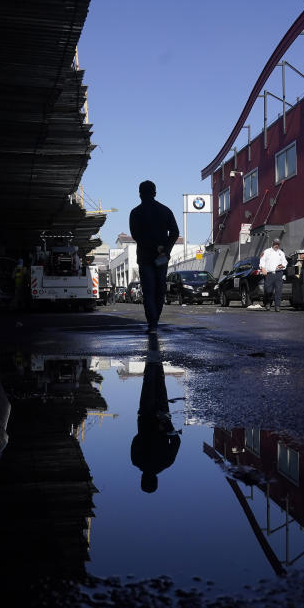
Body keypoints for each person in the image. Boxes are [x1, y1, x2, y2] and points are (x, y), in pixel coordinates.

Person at [130, 335, 180, 493]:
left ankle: (156, 354)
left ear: (156, 480)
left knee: (159, 381)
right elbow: (136, 440)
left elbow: (176, 440)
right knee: (149, 381)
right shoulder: (137, 461)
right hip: (145, 416)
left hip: (161, 416)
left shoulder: (166, 463)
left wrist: (165, 424)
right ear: (143, 479)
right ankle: (152, 351)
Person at [129, 180, 179, 333]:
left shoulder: (135, 212)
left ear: (140, 194)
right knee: (160, 290)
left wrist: (153, 247)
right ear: (155, 193)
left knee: (149, 291)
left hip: (145, 257)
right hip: (161, 258)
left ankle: (152, 324)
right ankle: (155, 320)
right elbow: (175, 232)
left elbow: (136, 235)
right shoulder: (165, 210)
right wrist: (165, 249)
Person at [259, 238, 288, 311]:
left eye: (278, 244)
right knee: (268, 290)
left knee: (278, 290)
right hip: (269, 274)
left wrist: (283, 265)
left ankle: (277, 306)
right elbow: (262, 261)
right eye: (275, 244)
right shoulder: (267, 251)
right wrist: (263, 268)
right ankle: (268, 303)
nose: (276, 245)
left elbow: (285, 262)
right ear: (272, 243)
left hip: (279, 274)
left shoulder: (281, 253)